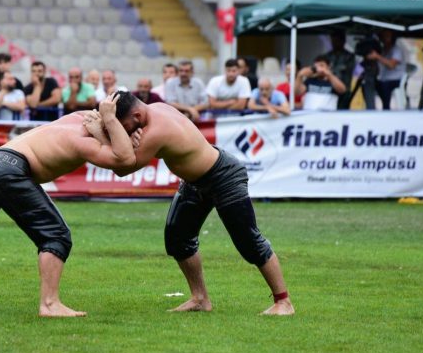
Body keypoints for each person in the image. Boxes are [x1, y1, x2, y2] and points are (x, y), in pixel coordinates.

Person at [0, 94, 139, 317]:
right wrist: (114, 131)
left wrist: (108, 127)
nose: (130, 131)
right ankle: (50, 305)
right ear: (111, 122)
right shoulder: (83, 141)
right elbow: (125, 160)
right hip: (11, 170)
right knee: (56, 236)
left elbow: (112, 139)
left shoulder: (79, 116)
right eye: (128, 126)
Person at [83, 92, 294, 315]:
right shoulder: (153, 110)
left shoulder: (157, 131)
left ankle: (284, 302)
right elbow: (127, 148)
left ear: (136, 114)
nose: (121, 130)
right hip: (195, 182)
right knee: (177, 239)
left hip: (224, 176)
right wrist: (121, 131)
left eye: (121, 125)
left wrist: (101, 133)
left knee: (248, 241)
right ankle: (200, 299)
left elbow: (123, 166)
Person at [364, 30, 405, 110]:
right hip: (383, 79)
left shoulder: (397, 50)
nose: (384, 39)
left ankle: (386, 107)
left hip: (395, 80)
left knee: (384, 85)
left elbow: (391, 65)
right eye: (383, 36)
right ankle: (370, 107)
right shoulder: (382, 50)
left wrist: (377, 57)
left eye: (387, 36)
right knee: (368, 82)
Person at [325, 31, 356, 110]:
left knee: (343, 112)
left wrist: (332, 71)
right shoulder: (328, 56)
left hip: (345, 88)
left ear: (343, 41)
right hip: (330, 89)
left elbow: (347, 70)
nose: (334, 43)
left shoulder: (349, 56)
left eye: (337, 40)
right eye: (333, 40)